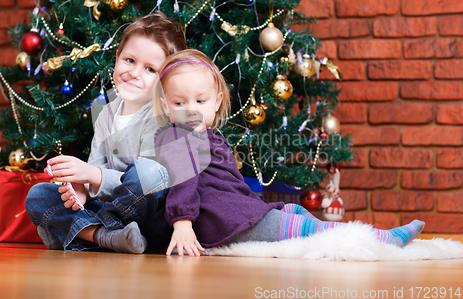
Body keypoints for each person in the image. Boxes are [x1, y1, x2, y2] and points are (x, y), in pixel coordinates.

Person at [153, 49, 426, 257]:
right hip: (223, 222)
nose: (191, 109)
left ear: (217, 102)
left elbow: (231, 186)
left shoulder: (210, 137)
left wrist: (256, 207)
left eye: (200, 101)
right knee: (298, 228)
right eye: (179, 102)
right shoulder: (177, 135)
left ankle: (333, 234)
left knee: (293, 210)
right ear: (166, 106)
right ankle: (378, 238)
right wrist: (182, 223)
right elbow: (183, 181)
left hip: (235, 212)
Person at [25, 12, 186, 253]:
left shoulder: (160, 117)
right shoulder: (106, 113)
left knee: (149, 173)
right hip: (111, 209)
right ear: (118, 56)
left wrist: (93, 175)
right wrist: (79, 189)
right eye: (130, 60)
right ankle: (109, 237)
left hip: (150, 219)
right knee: (38, 195)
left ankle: (89, 234)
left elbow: (151, 183)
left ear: (166, 80)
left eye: (150, 69)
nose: (134, 72)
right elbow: (93, 171)